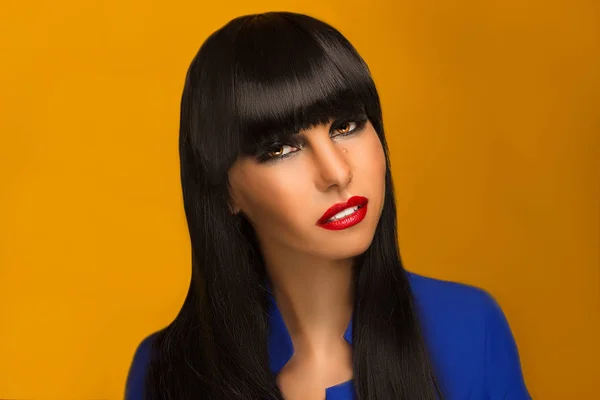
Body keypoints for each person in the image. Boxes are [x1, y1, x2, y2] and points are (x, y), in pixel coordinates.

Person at [124, 11, 531, 400]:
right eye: (281, 149)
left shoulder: (469, 328)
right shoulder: (166, 370)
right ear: (225, 191)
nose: (336, 172)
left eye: (346, 126)